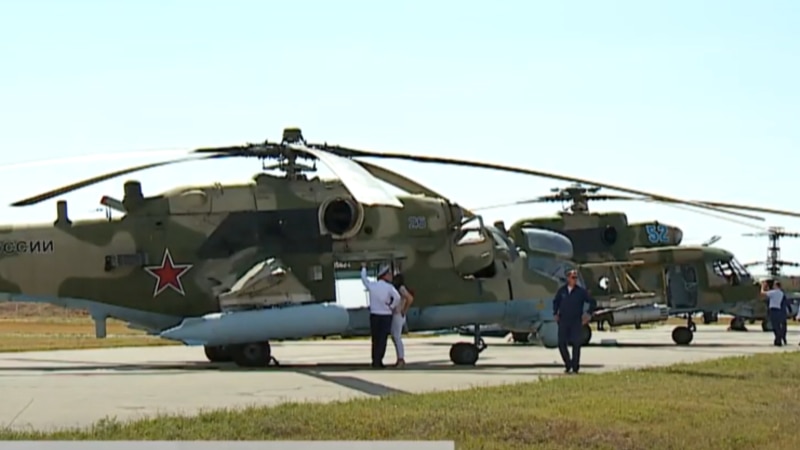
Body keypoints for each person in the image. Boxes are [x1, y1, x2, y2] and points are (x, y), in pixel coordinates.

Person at [552, 270, 596, 374]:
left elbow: (592, 302)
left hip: (576, 321)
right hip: (563, 320)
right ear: (568, 278)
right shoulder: (562, 291)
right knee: (561, 343)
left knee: (576, 344)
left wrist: (588, 314)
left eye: (576, 278)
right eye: (573, 277)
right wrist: (555, 313)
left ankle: (575, 367)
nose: (575, 280)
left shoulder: (580, 292)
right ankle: (568, 364)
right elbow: (556, 302)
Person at [361, 262, 401, 368]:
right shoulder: (389, 287)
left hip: (374, 315)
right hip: (386, 315)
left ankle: (375, 360)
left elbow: (364, 280)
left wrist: (364, 268)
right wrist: (392, 306)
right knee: (383, 339)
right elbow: (397, 297)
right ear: (385, 275)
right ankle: (379, 360)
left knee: (375, 339)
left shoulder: (373, 285)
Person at [390, 272, 415, 368]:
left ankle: (401, 359)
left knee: (396, 337)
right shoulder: (398, 288)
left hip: (398, 314)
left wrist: (404, 310)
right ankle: (399, 358)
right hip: (397, 314)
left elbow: (410, 298)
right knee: (395, 337)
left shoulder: (401, 288)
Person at [762, 279, 788, 346]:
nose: (773, 286)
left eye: (774, 285)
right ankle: (778, 340)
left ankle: (778, 340)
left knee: (775, 326)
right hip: (778, 310)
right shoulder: (781, 293)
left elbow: (762, 293)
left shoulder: (773, 292)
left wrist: (762, 286)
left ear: (776, 285)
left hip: (773, 310)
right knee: (778, 326)